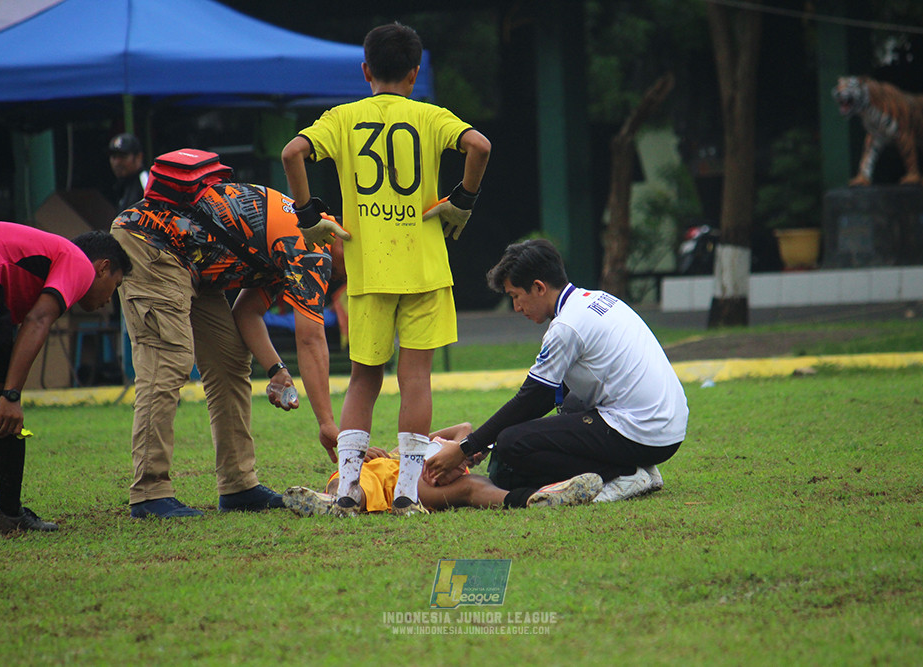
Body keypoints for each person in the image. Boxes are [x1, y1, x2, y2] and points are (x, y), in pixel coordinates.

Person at [281, 22, 491, 517]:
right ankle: (407, 493)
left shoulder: (342, 117)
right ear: (415, 73)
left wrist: (309, 217)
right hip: (423, 268)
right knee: (415, 378)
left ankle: (350, 490)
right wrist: (462, 200)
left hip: (367, 267)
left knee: (362, 378)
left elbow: (293, 153)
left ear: (366, 70)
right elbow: (479, 146)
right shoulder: (430, 115)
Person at [110, 150, 339, 519]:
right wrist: (327, 424)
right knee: (168, 359)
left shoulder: (290, 250)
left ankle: (238, 485)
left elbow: (247, 313)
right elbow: (311, 338)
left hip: (194, 263)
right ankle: (149, 492)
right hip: (153, 242)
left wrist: (277, 370)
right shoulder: (314, 247)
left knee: (229, 359)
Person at [424, 239, 689, 503]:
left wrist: (466, 447)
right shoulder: (597, 299)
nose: (516, 308)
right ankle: (635, 468)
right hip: (667, 429)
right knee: (568, 407)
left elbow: (532, 398)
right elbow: (550, 394)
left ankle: (623, 474)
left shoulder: (566, 327)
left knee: (512, 445)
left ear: (538, 287)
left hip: (643, 433)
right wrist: (483, 445)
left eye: (516, 296)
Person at [0, 223, 131, 534]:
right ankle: (10, 514)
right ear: (103, 267)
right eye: (117, 284)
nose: (111, 299)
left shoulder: (22, 275)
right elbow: (39, 318)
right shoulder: (78, 263)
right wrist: (11, 395)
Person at [282, 423, 603, 516]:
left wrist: (460, 461)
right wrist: (461, 449)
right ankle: (329, 503)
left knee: (471, 486)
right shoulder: (429, 445)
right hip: (385, 470)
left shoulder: (461, 475)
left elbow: (466, 477)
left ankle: (538, 497)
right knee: (355, 482)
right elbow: (463, 427)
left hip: (411, 488)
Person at [108, 133, 150, 213]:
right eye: (114, 157)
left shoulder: (145, 180)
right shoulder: (120, 187)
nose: (117, 162)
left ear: (138, 157)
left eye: (123, 156)